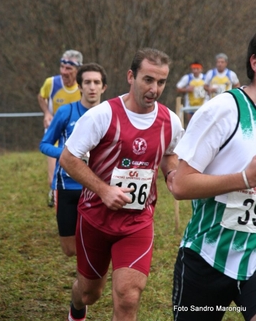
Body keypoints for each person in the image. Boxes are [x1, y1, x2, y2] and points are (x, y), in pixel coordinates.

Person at [59, 48, 184, 321]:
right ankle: (77, 308)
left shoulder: (170, 122)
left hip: (137, 222)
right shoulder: (101, 115)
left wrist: (171, 174)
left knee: (128, 296)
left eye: (161, 82)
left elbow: (170, 154)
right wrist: (104, 190)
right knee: (90, 292)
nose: (154, 89)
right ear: (131, 76)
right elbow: (68, 158)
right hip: (95, 219)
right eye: (148, 80)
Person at [170, 34, 256, 321]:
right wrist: (244, 179)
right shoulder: (224, 109)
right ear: (254, 63)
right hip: (208, 254)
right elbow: (181, 184)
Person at [39, 63, 107, 257]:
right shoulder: (66, 112)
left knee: (96, 244)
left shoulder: (111, 113)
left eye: (96, 82)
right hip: (67, 186)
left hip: (98, 187)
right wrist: (68, 155)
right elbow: (44, 144)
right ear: (79, 86)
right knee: (70, 250)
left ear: (104, 87)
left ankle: (88, 281)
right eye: (87, 82)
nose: (92, 87)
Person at [37, 50, 83, 207]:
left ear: (78, 69)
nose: (64, 71)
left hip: (75, 135)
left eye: (68, 68)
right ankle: (55, 194)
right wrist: (47, 113)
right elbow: (41, 96)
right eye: (62, 67)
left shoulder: (84, 87)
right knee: (53, 177)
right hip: (55, 134)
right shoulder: (51, 83)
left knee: (76, 172)